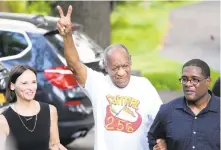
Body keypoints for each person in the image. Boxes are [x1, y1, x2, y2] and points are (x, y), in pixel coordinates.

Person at [56, 5, 163, 150]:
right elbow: (74, 65)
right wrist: (67, 35)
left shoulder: (144, 86)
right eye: (115, 68)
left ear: (130, 61)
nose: (121, 72)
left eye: (125, 66)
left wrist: (162, 141)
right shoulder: (98, 84)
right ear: (105, 67)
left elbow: (162, 120)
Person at [148, 59, 220, 150]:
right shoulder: (167, 110)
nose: (188, 84)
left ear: (208, 81)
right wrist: (157, 146)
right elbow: (153, 138)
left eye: (195, 80)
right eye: (184, 79)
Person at [0, 65, 66, 150]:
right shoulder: (3, 120)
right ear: (12, 86)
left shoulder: (50, 111)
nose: (30, 87)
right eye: (24, 83)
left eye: (33, 82)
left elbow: (54, 145)